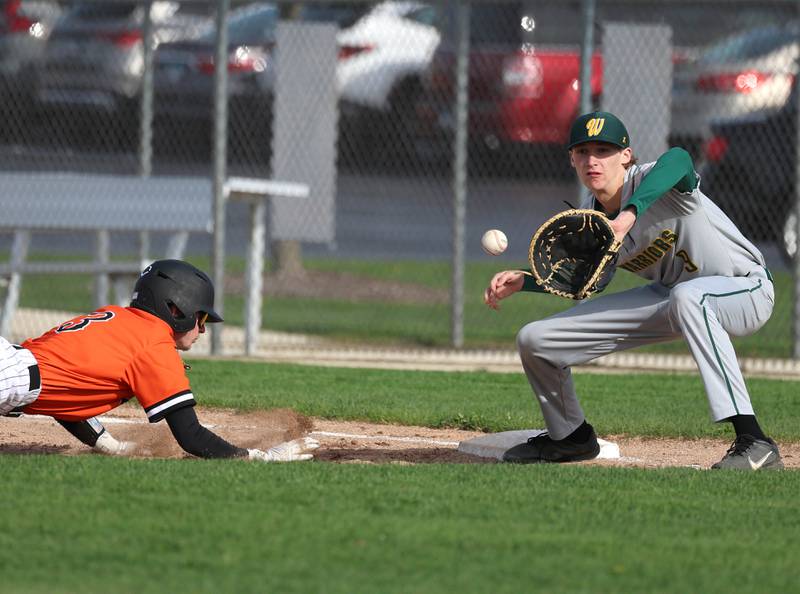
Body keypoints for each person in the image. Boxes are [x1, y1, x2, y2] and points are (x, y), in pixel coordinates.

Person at [484, 111, 781, 471]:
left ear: (626, 155)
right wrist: (524, 280)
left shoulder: (653, 181)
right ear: (572, 160)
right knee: (535, 339)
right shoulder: (594, 225)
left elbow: (680, 159)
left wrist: (629, 214)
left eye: (604, 150)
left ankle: (754, 440)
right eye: (583, 151)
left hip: (746, 288)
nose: (593, 160)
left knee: (690, 298)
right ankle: (571, 438)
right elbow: (585, 280)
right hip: (674, 297)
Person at [0, 259, 319, 462]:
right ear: (176, 309)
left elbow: (66, 392)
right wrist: (261, 457)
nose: (203, 329)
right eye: (201, 317)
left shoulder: (117, 318)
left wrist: (108, 444)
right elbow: (191, 437)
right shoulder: (154, 343)